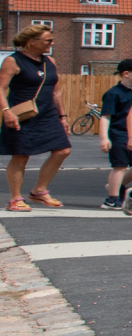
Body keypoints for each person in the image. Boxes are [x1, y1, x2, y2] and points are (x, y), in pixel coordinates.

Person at [2, 24, 72, 211]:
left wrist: (63, 116)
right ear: (32, 42)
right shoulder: (13, 61)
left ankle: (39, 191)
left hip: (48, 114)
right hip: (22, 115)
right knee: (21, 155)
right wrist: (6, 111)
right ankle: (15, 199)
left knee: (63, 150)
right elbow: (1, 88)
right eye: (48, 40)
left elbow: (56, 92)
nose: (51, 43)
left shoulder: (50, 62)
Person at [98, 59, 132, 211]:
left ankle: (117, 186)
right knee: (119, 166)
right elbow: (106, 116)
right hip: (118, 132)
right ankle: (112, 199)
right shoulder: (113, 94)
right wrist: (104, 137)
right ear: (126, 74)